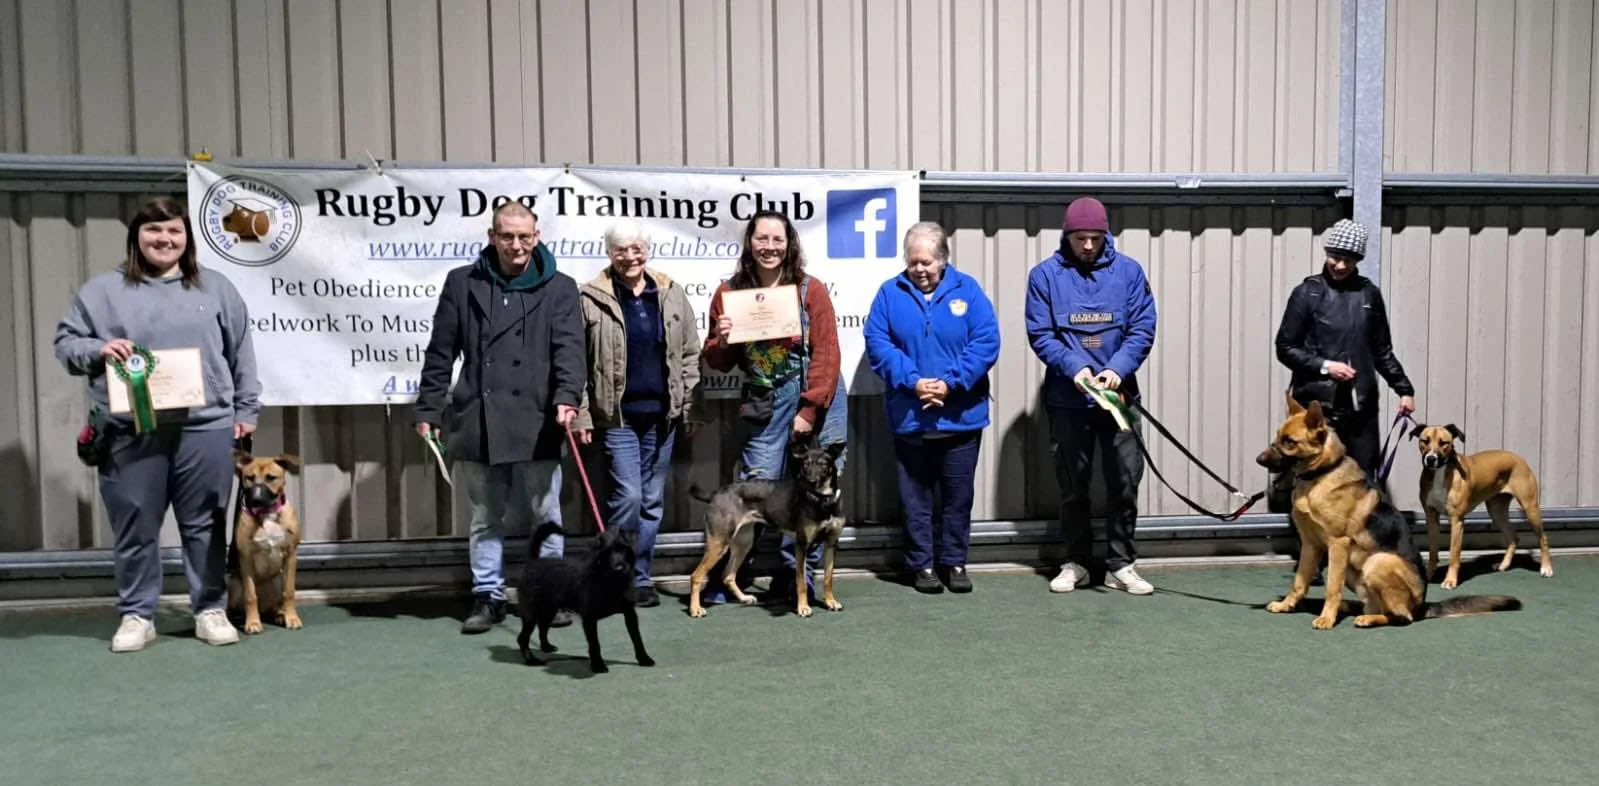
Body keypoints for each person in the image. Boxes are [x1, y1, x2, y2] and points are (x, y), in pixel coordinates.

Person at [54, 196, 260, 652]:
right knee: (135, 524)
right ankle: (137, 614)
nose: (164, 240)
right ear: (136, 238)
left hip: (205, 426)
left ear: (186, 239)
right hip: (129, 430)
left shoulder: (217, 289)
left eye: (174, 232)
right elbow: (66, 343)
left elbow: (241, 352)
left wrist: (246, 411)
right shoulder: (101, 291)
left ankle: (209, 608)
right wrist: (98, 350)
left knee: (205, 522)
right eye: (154, 231)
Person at [415, 202, 585, 634]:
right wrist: (429, 408)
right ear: (492, 236)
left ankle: (551, 595)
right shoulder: (462, 284)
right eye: (506, 236)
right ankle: (487, 596)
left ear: (537, 236)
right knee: (485, 516)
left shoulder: (560, 288)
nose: (515, 245)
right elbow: (441, 352)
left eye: (523, 237)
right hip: (478, 419)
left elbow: (570, 351)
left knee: (546, 515)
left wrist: (568, 397)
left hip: (540, 419)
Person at [700, 210, 848, 603]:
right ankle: (731, 573)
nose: (769, 247)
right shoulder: (729, 292)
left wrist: (810, 408)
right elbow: (716, 361)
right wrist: (723, 339)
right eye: (761, 239)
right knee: (758, 483)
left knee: (814, 490)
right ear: (750, 243)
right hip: (765, 399)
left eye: (777, 240)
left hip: (816, 393)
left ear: (789, 244)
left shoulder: (809, 290)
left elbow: (828, 353)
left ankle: (796, 576)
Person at [1025, 196, 1158, 596]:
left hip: (1119, 398)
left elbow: (1142, 327)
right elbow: (1041, 333)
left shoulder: (1129, 273)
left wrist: (1117, 369)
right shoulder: (1044, 276)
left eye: (1095, 238)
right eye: (1080, 238)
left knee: (1124, 480)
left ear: (1106, 236)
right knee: (1073, 484)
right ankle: (1076, 563)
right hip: (1069, 400)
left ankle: (1122, 565)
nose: (1087, 246)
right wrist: (1075, 369)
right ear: (1067, 236)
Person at [864, 221, 1000, 594]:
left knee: (958, 498)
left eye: (927, 262)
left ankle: (954, 562)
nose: (920, 270)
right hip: (911, 417)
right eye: (913, 262)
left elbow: (986, 340)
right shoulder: (889, 294)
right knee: (915, 499)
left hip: (961, 418)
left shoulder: (968, 290)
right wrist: (913, 381)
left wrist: (951, 383)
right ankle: (921, 565)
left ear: (943, 259)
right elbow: (878, 343)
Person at [573, 220, 702, 608]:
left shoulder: (671, 293)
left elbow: (690, 354)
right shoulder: (590, 297)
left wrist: (689, 405)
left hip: (662, 417)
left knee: (651, 501)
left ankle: (641, 578)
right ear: (609, 254)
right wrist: (581, 414)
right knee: (628, 497)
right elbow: (575, 362)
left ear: (646, 250)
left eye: (636, 248)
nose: (630, 256)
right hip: (617, 418)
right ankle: (616, 575)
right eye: (621, 250)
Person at [1275, 218, 1416, 478]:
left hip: (1360, 407)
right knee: (1314, 480)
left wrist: (1404, 389)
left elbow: (1382, 349)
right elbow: (1285, 347)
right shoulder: (1307, 293)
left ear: (1357, 261)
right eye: (1335, 257)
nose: (1340, 266)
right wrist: (1327, 367)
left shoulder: (1369, 294)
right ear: (1327, 253)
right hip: (1316, 409)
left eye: (1348, 260)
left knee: (1362, 479)